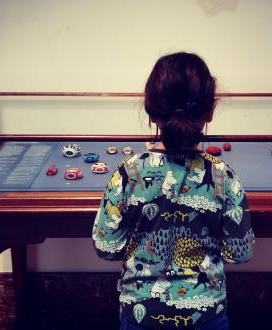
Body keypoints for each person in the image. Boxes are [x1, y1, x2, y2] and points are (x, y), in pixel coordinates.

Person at [92, 52, 255, 329]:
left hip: (139, 314)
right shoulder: (223, 175)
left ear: (151, 111)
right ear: (210, 110)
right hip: (206, 317)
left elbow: (107, 247)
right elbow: (240, 253)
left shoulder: (127, 173)